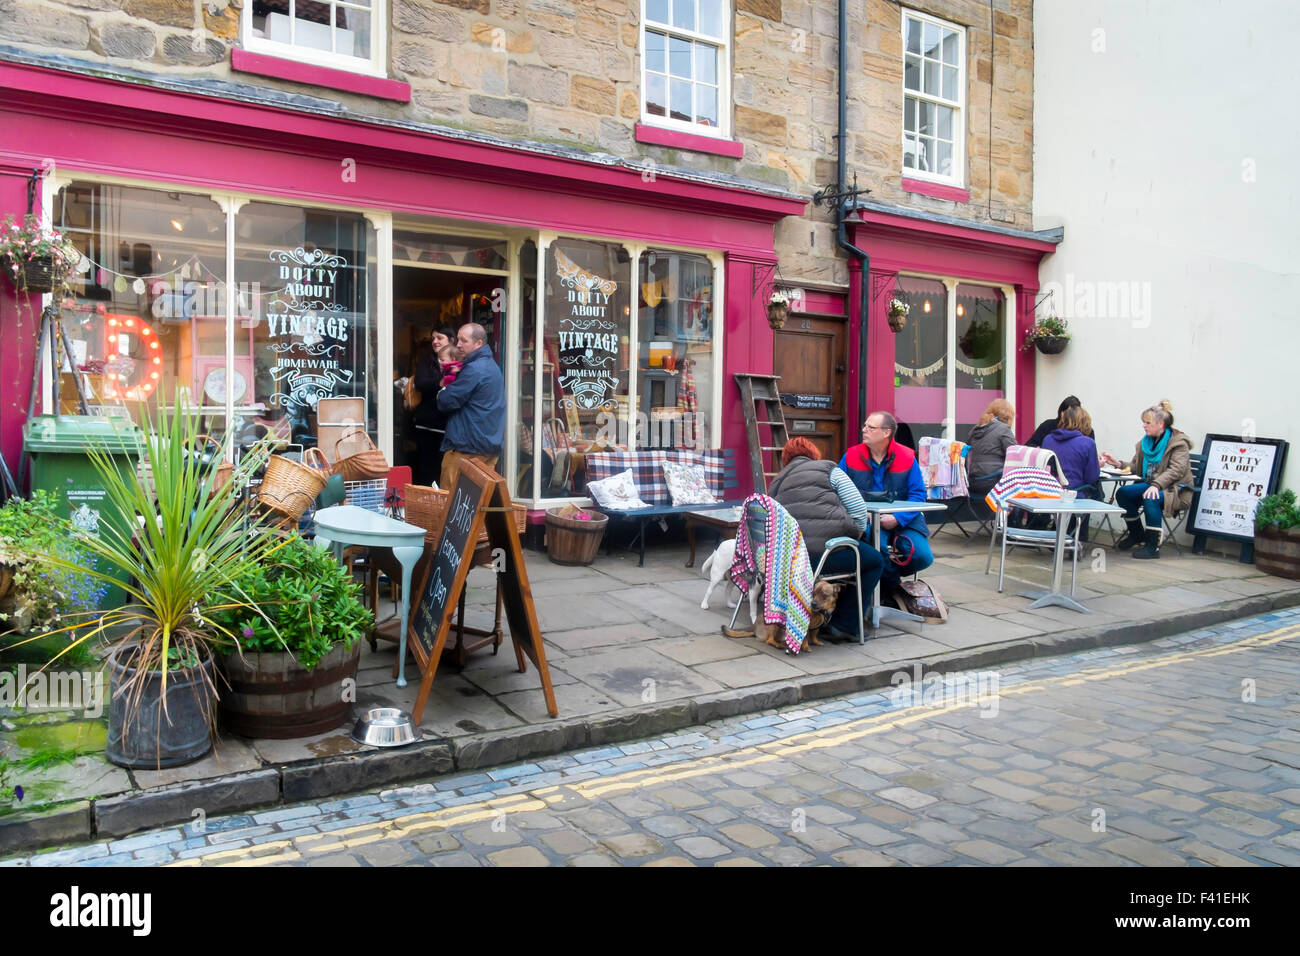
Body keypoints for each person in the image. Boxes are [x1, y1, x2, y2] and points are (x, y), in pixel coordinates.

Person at [768, 437, 885, 640]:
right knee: (874, 560)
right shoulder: (828, 469)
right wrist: (854, 534)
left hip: (788, 561)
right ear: (815, 455)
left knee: (857, 555)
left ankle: (823, 615)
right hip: (820, 556)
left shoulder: (776, 482)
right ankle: (844, 625)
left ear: (786, 460)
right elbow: (858, 509)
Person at [838, 411, 933, 594]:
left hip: (904, 519)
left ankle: (885, 580)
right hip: (866, 519)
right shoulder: (850, 456)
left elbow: (918, 495)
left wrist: (898, 518)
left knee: (923, 556)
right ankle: (892, 588)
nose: (864, 430)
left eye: (870, 427)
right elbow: (837, 491)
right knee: (878, 550)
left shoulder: (907, 456)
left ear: (886, 432)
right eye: (864, 426)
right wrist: (860, 514)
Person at [1104, 400, 1193, 559]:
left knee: (1150, 497)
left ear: (1160, 424)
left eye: (1147, 422)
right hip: (1150, 484)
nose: (1144, 426)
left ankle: (1153, 547)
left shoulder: (1179, 444)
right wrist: (1118, 464)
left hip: (1175, 489)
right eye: (1143, 422)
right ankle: (1137, 534)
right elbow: (1137, 467)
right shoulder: (1146, 443)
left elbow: (1176, 470)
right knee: (1123, 493)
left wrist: (1156, 485)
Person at [436, 322, 506, 489]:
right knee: (477, 503)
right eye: (458, 340)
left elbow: (446, 401)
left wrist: (442, 391)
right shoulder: (491, 366)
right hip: (487, 445)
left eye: (463, 341)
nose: (458, 345)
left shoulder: (475, 369)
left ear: (478, 343)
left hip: (467, 448)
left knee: (452, 502)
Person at [1042, 404, 1102, 541]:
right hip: (1073, 495)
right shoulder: (1087, 443)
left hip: (1048, 492)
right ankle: (1079, 538)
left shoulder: (1047, 439)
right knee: (1092, 492)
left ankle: (1059, 533)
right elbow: (1092, 477)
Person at [411, 326, 454, 486]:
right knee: (426, 470)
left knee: (444, 470)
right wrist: (441, 382)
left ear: (451, 340)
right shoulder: (426, 360)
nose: (435, 341)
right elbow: (420, 383)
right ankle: (426, 504)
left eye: (439, 338)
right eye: (433, 338)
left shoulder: (459, 359)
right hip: (427, 424)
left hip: (448, 427)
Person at [966, 398, 1017, 497]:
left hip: (973, 481)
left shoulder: (976, 429)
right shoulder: (1004, 429)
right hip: (993, 481)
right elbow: (1014, 455)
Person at [1027, 395, 1093, 448]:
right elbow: (1029, 445)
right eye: (1067, 412)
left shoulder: (1086, 430)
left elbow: (1091, 457)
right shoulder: (1048, 426)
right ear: (1061, 412)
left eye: (1073, 412)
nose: (1070, 415)